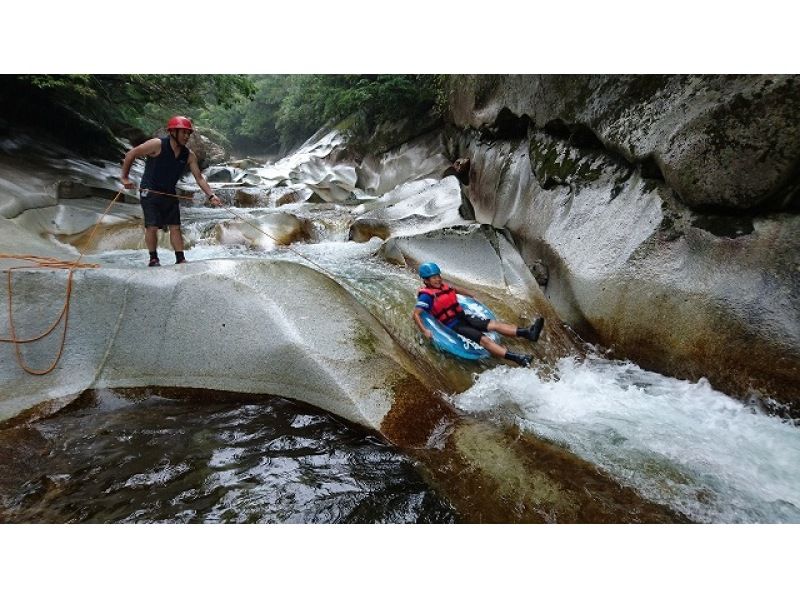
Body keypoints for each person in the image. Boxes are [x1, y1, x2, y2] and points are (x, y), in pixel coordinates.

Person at [120, 115, 222, 267]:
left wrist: (211, 195)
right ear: (173, 132)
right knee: (152, 226)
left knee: (175, 227)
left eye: (188, 133)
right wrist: (125, 178)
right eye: (184, 133)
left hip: (169, 193)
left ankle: (180, 258)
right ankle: (153, 258)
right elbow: (131, 154)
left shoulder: (189, 155)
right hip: (150, 192)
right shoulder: (157, 144)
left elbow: (200, 178)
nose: (187, 136)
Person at [411, 262, 544, 367]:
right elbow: (416, 314)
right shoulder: (426, 296)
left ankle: (528, 333)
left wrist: (471, 295)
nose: (438, 279)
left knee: (494, 325)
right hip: (455, 325)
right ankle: (518, 359)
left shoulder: (443, 286)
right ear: (426, 280)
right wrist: (425, 330)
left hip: (463, 316)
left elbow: (455, 290)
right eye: (434, 277)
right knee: (484, 340)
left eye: (438, 276)